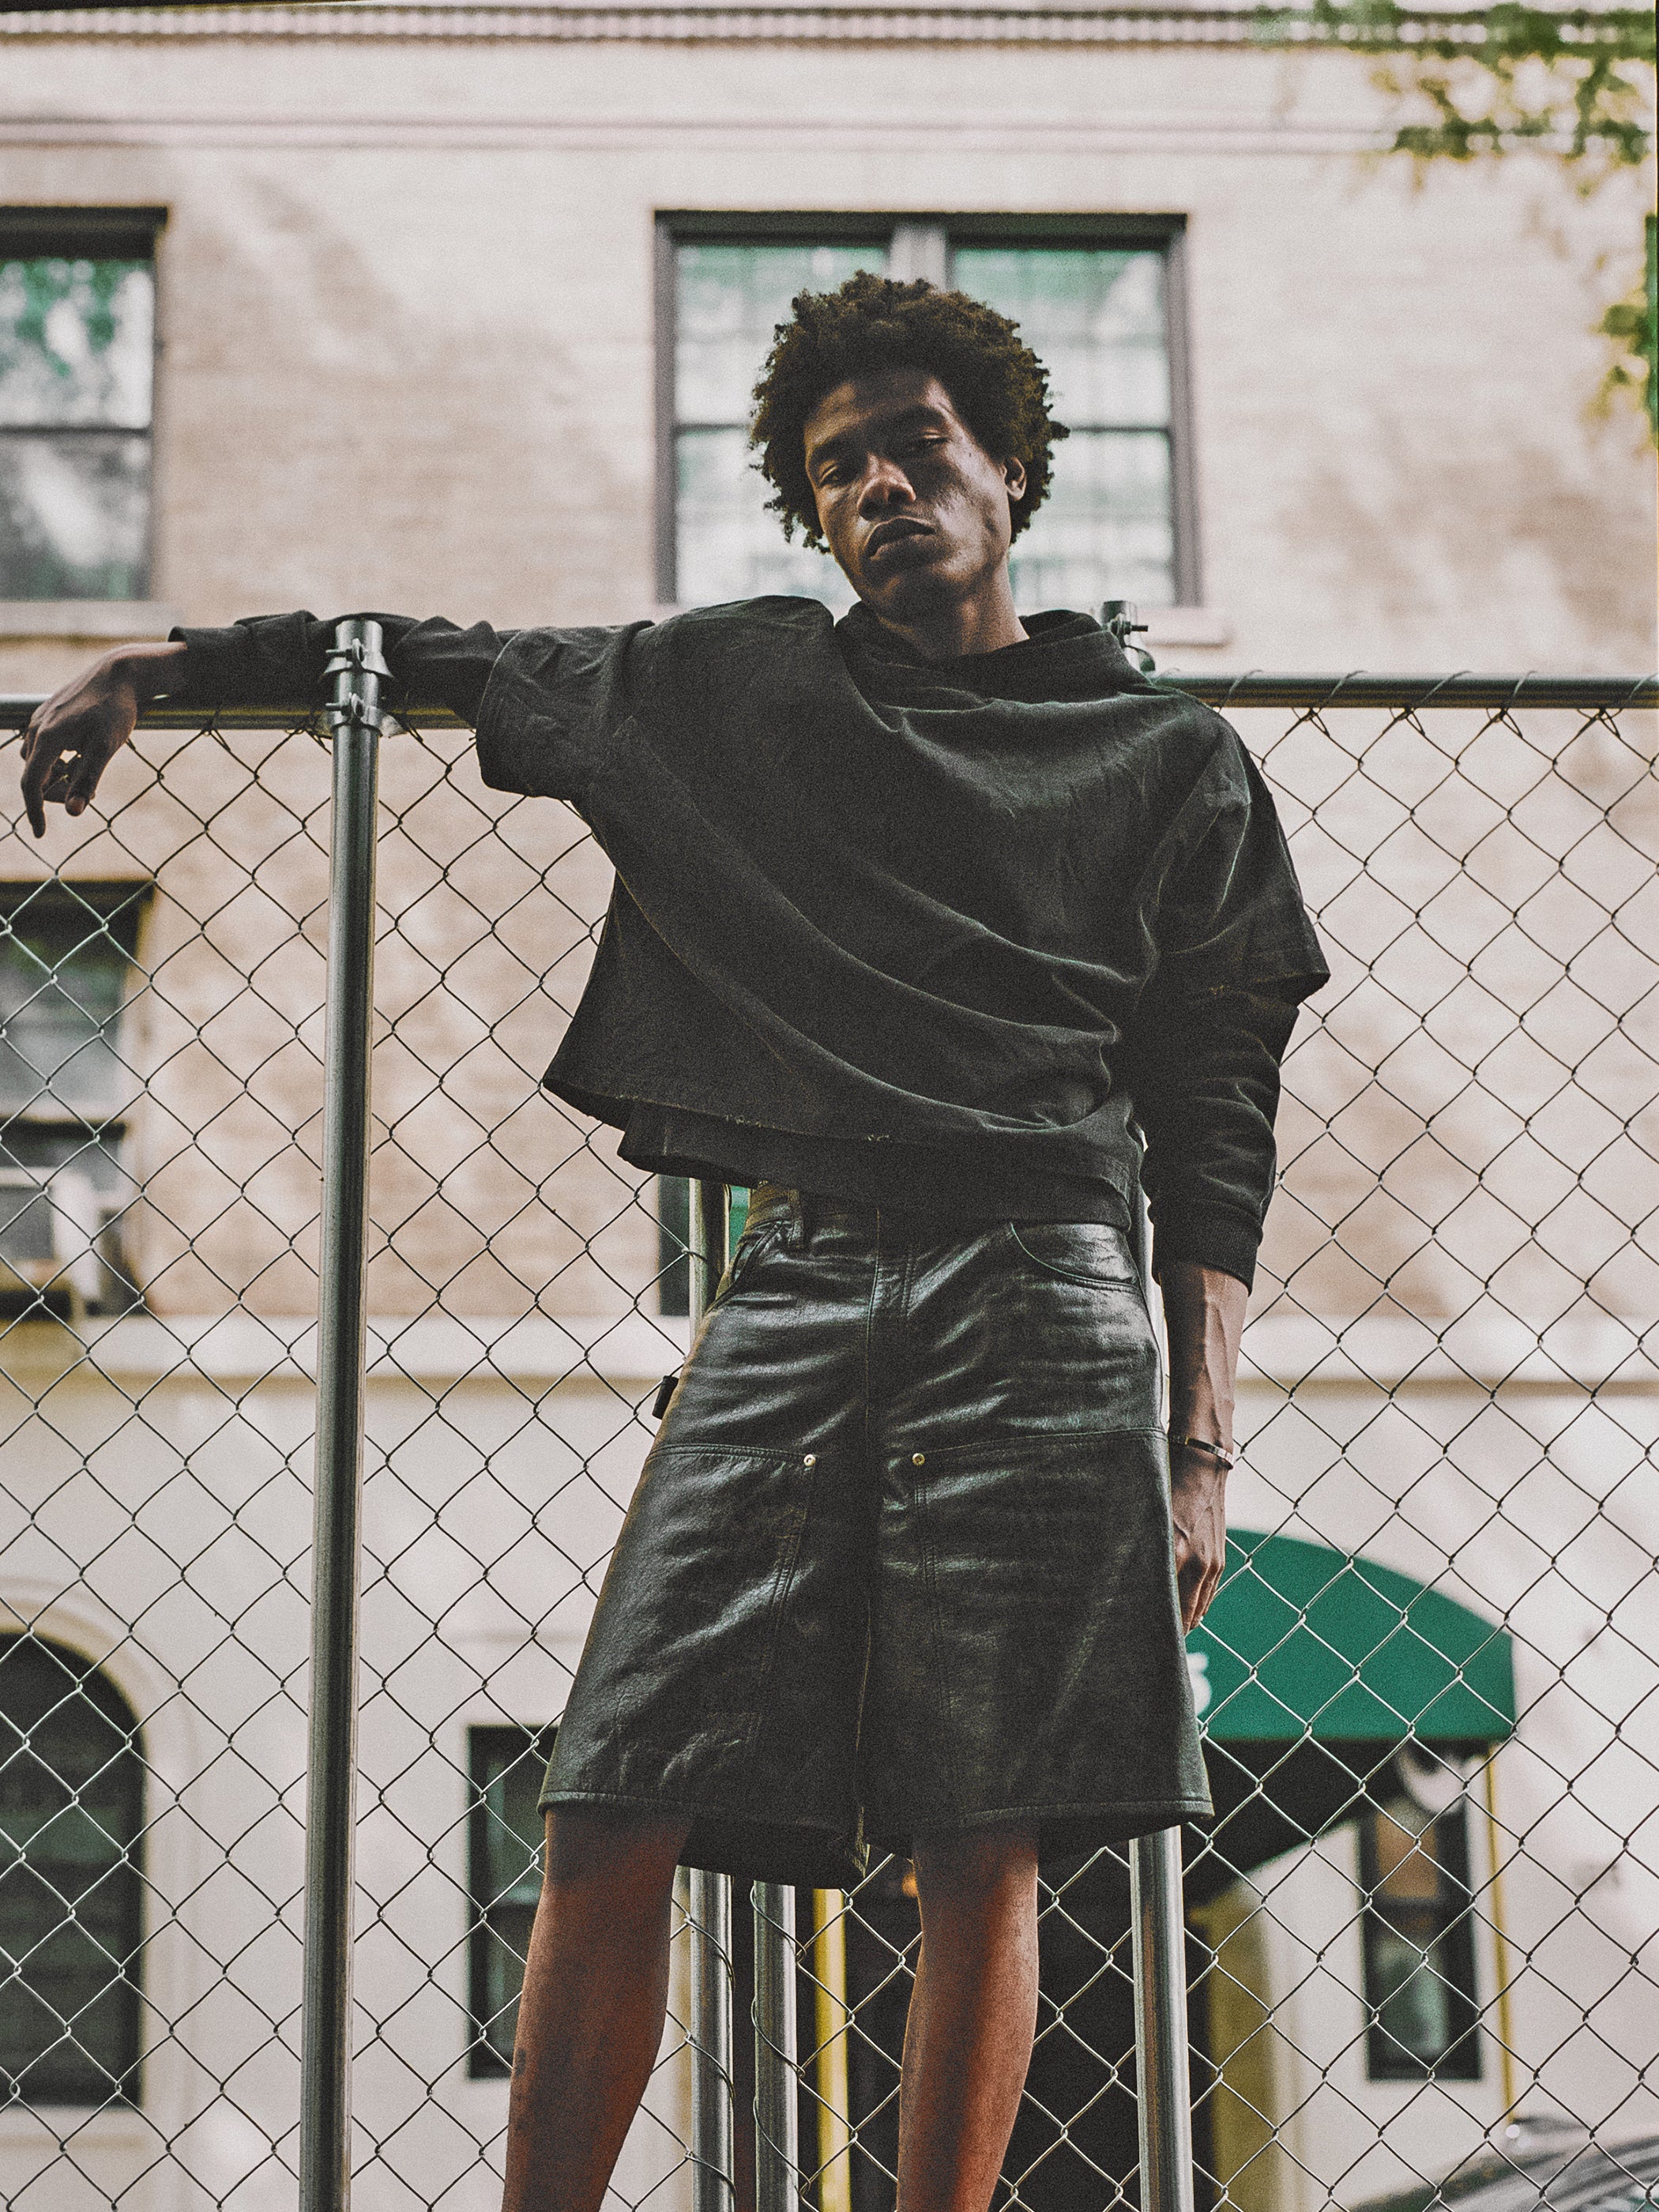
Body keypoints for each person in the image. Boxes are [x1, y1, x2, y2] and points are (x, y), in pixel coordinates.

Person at [21, 273, 1326, 2212]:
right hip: (797, 1274)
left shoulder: (1168, 757)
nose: (881, 483)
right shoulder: (741, 687)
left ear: (1010, 467)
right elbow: (439, 658)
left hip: (1053, 1286)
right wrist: (161, 662)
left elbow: (1216, 1123)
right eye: (837, 466)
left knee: (985, 1834)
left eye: (916, 444)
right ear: (812, 515)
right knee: (614, 1781)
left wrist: (1203, 1439)